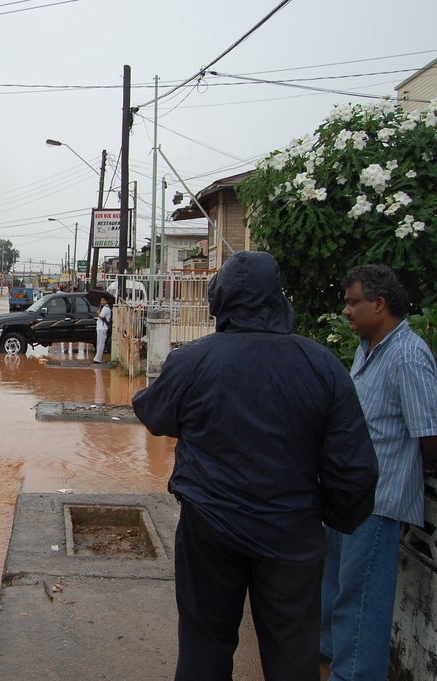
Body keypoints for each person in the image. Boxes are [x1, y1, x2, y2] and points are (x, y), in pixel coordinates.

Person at [132, 251, 378, 681]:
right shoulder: (321, 366)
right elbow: (355, 469)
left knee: (204, 646)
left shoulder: (193, 361)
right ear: (278, 300)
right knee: (292, 656)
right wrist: (328, 521)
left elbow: (154, 415)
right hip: (292, 534)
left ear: (219, 300)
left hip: (209, 529)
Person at [320, 264, 437, 681]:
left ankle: (355, 674)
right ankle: (332, 658)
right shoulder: (370, 348)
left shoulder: (408, 355)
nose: (347, 311)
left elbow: (429, 435)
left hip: (380, 499)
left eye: (353, 302)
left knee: (362, 597)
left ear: (380, 304)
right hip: (348, 495)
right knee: (335, 589)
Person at [93, 295, 112, 364]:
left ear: (107, 301)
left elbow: (101, 316)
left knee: (101, 344)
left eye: (103, 300)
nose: (102, 301)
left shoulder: (106, 308)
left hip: (102, 328)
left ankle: (98, 359)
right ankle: (97, 358)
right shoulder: (103, 308)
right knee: (99, 343)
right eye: (101, 300)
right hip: (100, 328)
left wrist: (98, 313)